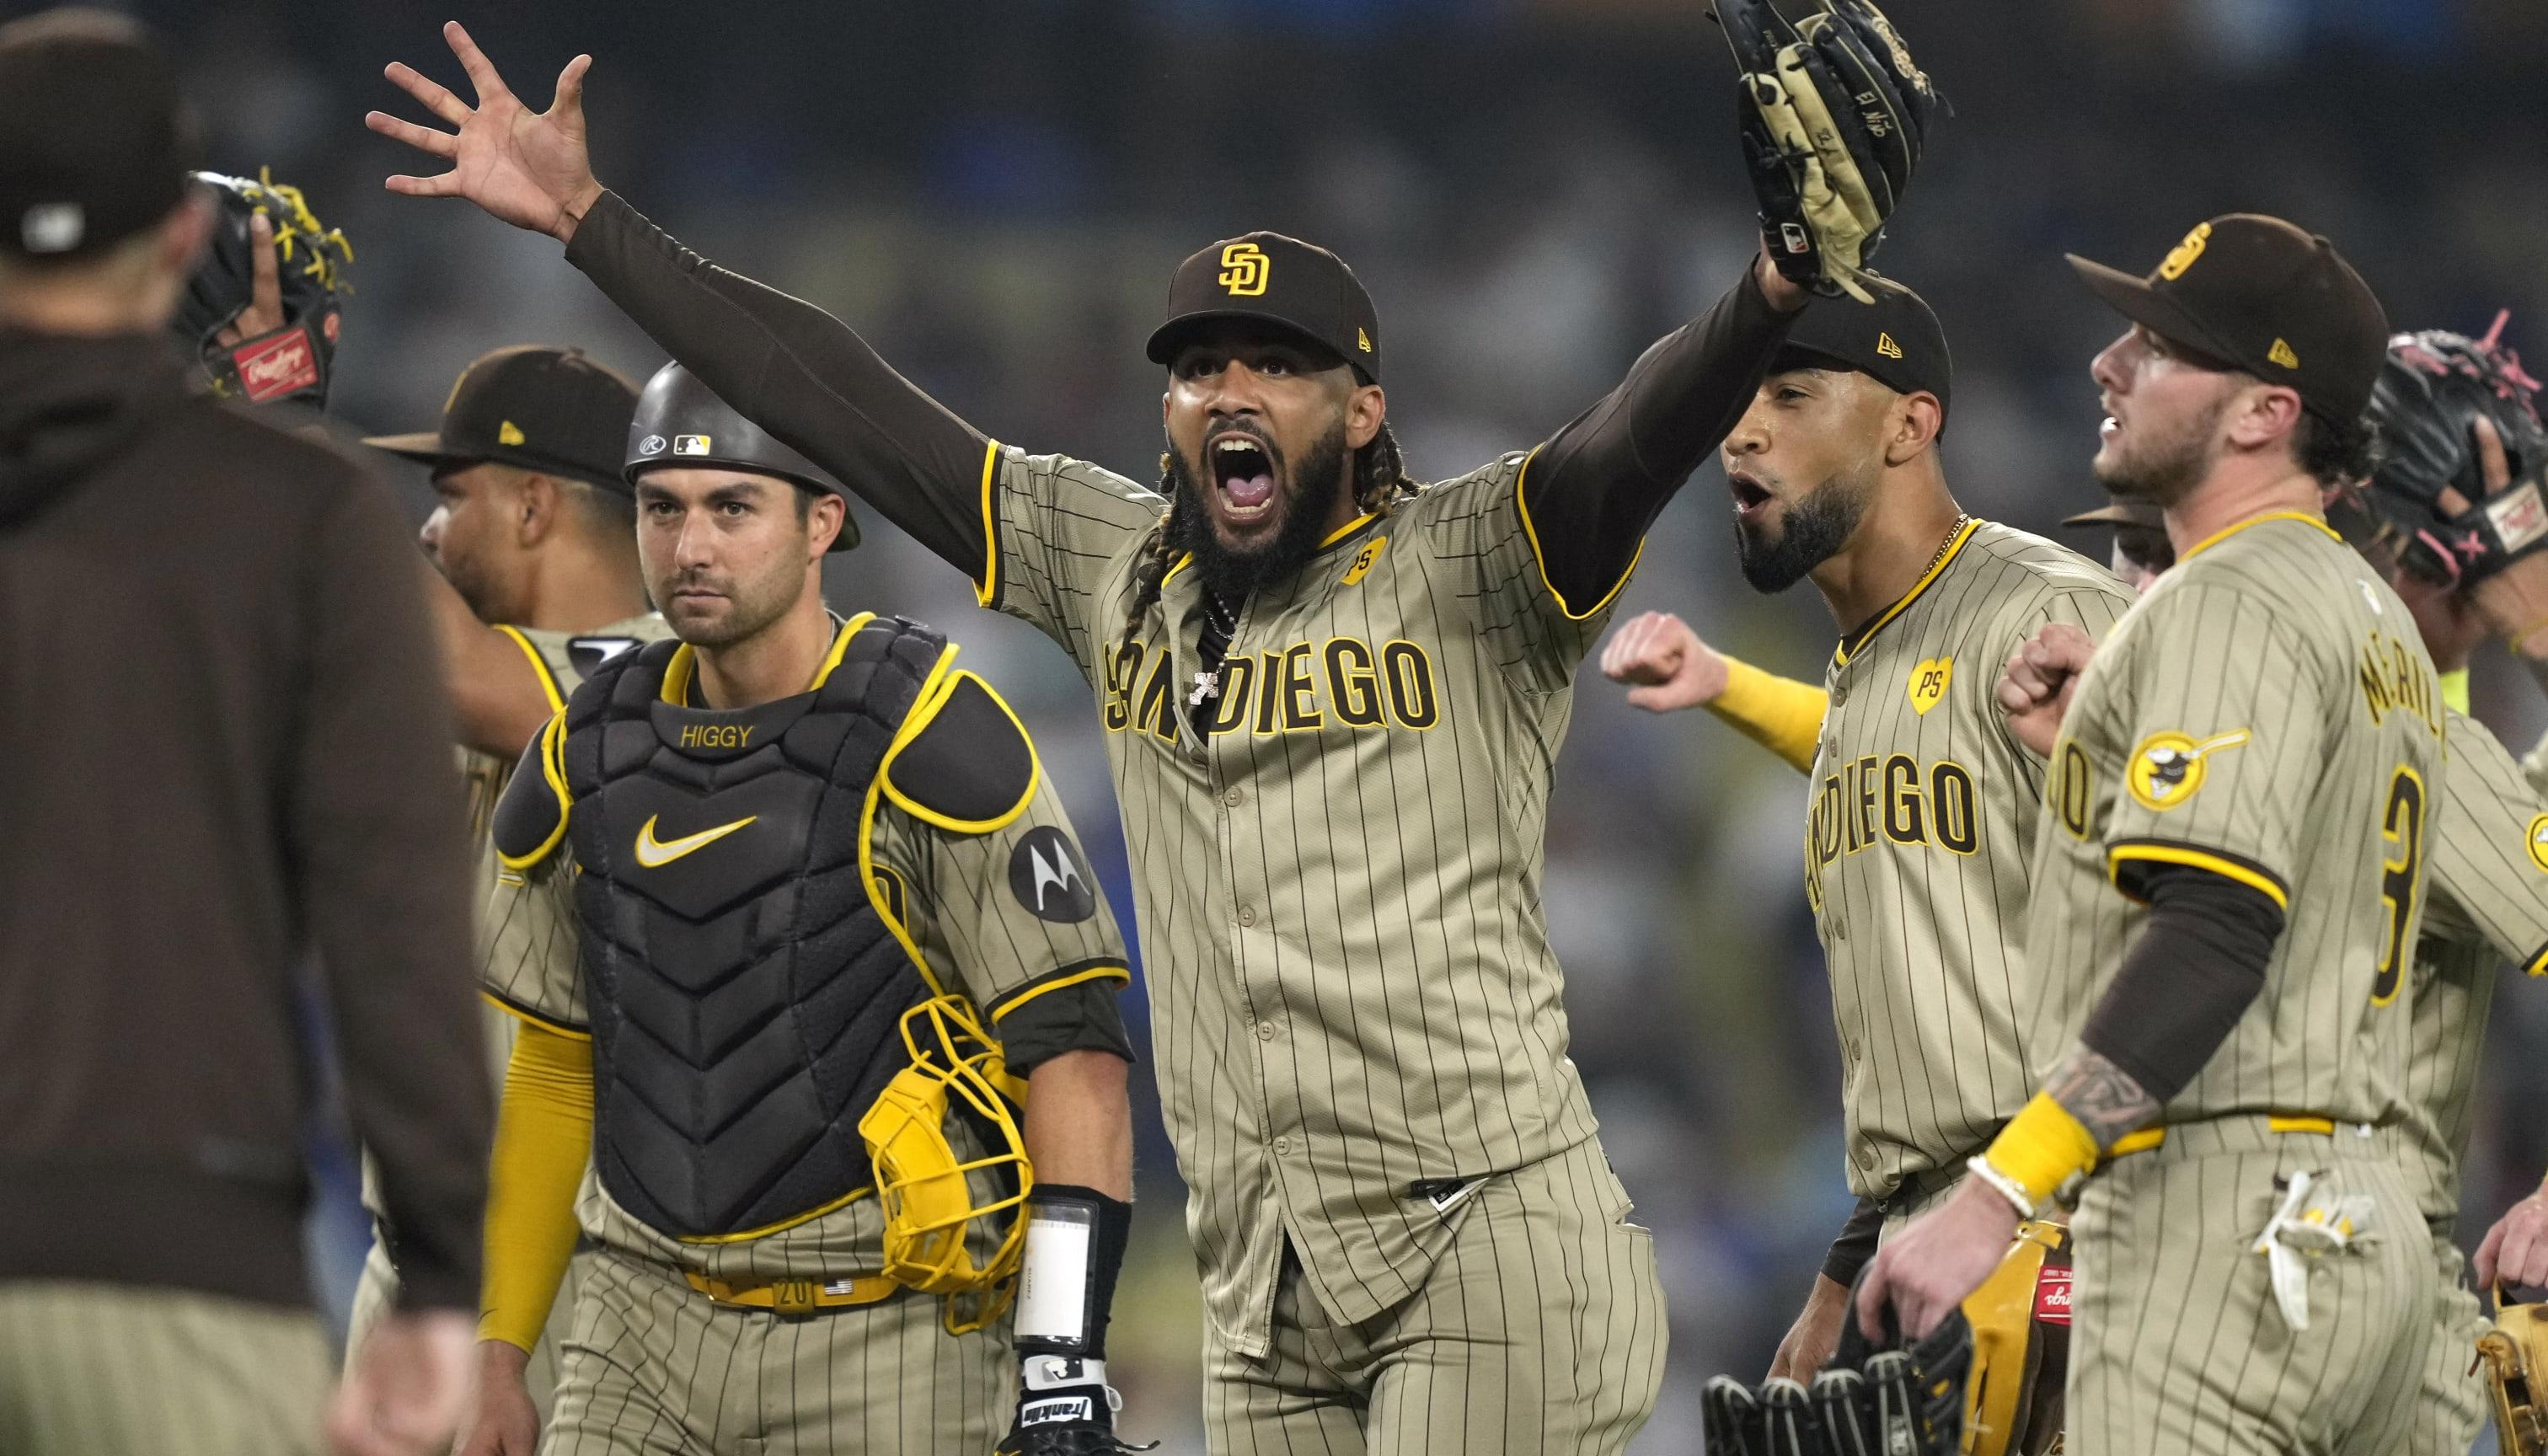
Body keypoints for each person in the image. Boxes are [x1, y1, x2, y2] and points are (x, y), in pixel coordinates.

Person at [362, 20, 1851, 1449]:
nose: (1229, 391)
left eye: (1276, 365)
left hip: (1482, 1239)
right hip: (1258, 1273)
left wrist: (1770, 291)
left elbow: (1625, 441)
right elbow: (839, 395)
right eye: (1201, 366)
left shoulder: (1470, 559)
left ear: (1363, 409)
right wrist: (589, 219)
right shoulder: (1106, 557)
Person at [455, 363, 1144, 1456]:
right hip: (635, 1334)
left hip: (884, 1331)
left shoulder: (929, 733)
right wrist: (498, 1356)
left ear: (823, 522)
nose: (691, 550)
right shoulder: (583, 749)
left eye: (733, 509)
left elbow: (1074, 1057)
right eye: (661, 510)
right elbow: (552, 1065)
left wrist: (1061, 1363)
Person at [1866, 214, 2437, 1456]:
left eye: (2160, 348)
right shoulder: (2366, 614)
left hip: (2218, 1222)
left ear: (2262, 415)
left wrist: (1993, 1194)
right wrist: (2108, 733)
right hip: (2370, 1222)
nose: (2106, 366)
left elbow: (2220, 927)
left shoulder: (2222, 601)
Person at [0, 11, 489, 1456]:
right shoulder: (296, 519)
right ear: (164, 238)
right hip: (175, 1246)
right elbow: (390, 924)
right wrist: (441, 1279)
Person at [1995, 326, 2548, 1456]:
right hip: (2225, 1251)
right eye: (2133, 560)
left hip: (2286, 1265)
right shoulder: (2300, 704)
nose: (2138, 590)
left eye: (2158, 561)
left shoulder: (2380, 726)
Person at [1598, 285, 2132, 1413]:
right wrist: (1849, 1270)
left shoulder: (2047, 620)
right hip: (1941, 1230)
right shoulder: (1872, 664)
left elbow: (2216, 934)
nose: (1742, 431)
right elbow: (1934, 1061)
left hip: (2092, 1233)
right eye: (1738, 403)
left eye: (1792, 395)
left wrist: (2049, 1234)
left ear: (1909, 424)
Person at [343, 345, 666, 1410]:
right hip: (412, 1258)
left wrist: (281, 429)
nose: (431, 533)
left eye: (451, 496)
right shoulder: (480, 676)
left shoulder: (668, 674)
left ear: (534, 505)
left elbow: (456, 671)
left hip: (571, 1283)